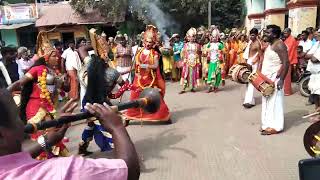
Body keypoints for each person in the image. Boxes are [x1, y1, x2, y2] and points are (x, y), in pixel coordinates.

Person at [0, 89, 140, 180]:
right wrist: (116, 127)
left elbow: (11, 163)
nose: (22, 123)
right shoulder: (63, 172)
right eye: (17, 117)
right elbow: (129, 170)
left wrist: (47, 140)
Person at [124, 25, 171, 123]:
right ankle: (129, 117)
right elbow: (135, 66)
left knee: (154, 98)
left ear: (153, 43)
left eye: (150, 42)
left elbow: (155, 66)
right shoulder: (139, 52)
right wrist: (123, 71)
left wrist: (144, 66)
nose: (148, 44)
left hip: (150, 80)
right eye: (146, 41)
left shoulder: (155, 53)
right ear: (143, 41)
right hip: (139, 80)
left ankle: (164, 116)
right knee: (134, 98)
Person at [260, 25, 289, 135]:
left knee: (275, 102)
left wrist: (282, 79)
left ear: (275, 35)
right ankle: (267, 124)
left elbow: (286, 63)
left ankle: (276, 127)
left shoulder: (280, 45)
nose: (265, 34)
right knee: (267, 101)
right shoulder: (271, 44)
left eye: (268, 33)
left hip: (275, 78)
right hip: (267, 78)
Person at [243, 28, 262, 108]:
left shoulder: (258, 44)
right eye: (250, 35)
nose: (251, 37)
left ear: (257, 35)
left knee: (251, 81)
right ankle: (249, 100)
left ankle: (249, 101)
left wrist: (256, 64)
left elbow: (261, 56)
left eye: (253, 35)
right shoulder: (250, 42)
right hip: (249, 62)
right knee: (247, 81)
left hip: (254, 63)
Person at [179, 28, 201, 94]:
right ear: (188, 37)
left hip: (194, 61)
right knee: (186, 74)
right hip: (187, 61)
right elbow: (183, 53)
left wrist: (198, 61)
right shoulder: (185, 45)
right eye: (190, 37)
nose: (191, 38)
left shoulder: (197, 45)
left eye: (193, 37)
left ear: (194, 38)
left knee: (193, 74)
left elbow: (198, 53)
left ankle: (193, 87)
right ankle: (183, 88)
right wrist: (183, 59)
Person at [282, 28, 298, 96]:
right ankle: (285, 90)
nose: (284, 33)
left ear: (289, 32)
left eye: (286, 32)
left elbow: (290, 51)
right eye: (284, 32)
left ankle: (287, 91)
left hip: (289, 60)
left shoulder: (292, 40)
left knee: (287, 77)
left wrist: (286, 60)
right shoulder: (287, 39)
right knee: (285, 76)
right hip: (286, 59)